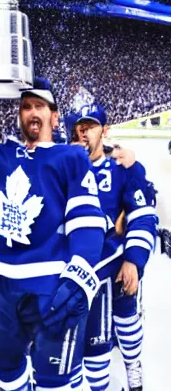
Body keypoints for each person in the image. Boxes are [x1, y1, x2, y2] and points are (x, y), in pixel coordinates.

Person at [0, 78, 106, 390]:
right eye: (26, 106)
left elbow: (87, 221)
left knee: (53, 378)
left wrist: (78, 275)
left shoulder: (70, 158)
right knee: (2, 359)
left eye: (39, 106)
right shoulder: (0, 155)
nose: (31, 112)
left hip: (49, 284)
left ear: (54, 117)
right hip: (3, 282)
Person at [75, 104, 157, 391]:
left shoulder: (121, 169)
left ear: (105, 131)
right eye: (79, 126)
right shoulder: (63, 167)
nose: (84, 132)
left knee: (126, 320)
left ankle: (132, 363)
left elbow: (143, 214)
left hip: (116, 268)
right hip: (77, 274)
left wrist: (133, 259)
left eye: (91, 126)